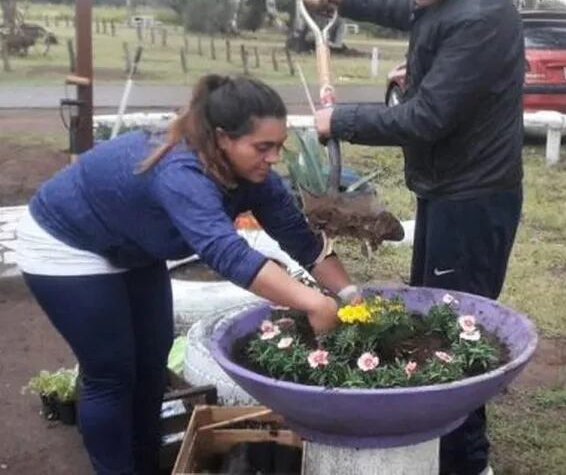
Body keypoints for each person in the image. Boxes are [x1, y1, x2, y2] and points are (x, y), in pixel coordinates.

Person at [16, 75, 359, 475]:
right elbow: (225, 252)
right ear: (222, 139)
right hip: (66, 242)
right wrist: (313, 301)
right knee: (111, 372)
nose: (273, 158)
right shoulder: (180, 170)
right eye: (262, 147)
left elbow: (301, 240)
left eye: (278, 147)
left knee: (151, 362)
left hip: (132, 246)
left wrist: (349, 292)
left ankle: (145, 465)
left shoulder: (254, 175)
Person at [303, 0, 524, 475]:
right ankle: (442, 447)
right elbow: (410, 7)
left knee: (453, 330)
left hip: (473, 200)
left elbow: (425, 119)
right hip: (448, 190)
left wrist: (339, 120)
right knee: (433, 318)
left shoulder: (479, 14)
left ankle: (466, 463)